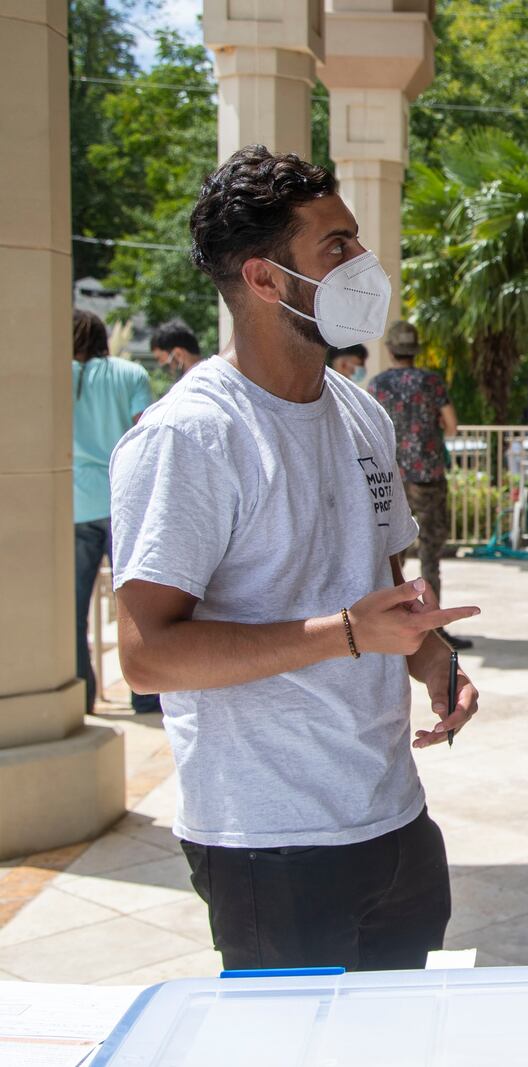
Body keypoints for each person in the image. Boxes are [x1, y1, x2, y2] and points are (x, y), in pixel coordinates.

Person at [109, 146, 481, 971]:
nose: (364, 264)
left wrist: (431, 658)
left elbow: (382, 597)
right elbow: (146, 655)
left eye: (356, 240)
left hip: (393, 819)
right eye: (337, 247)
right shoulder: (192, 437)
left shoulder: (362, 415)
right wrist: (344, 633)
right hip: (269, 844)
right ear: (266, 280)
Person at [71, 309, 160, 715]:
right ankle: (145, 694)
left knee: (72, 611)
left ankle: (81, 694)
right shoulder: (130, 374)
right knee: (139, 604)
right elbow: (147, 435)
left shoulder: (56, 375)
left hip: (73, 505)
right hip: (123, 504)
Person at [368, 320, 471, 651]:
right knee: (430, 551)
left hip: (389, 479)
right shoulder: (431, 382)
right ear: (416, 349)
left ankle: (386, 623)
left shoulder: (377, 385)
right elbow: (452, 426)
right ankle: (434, 626)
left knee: (391, 555)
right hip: (428, 476)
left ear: (390, 350)